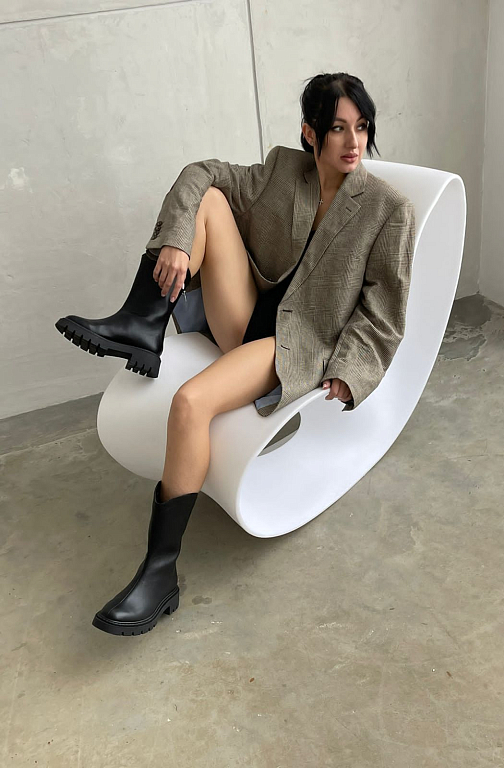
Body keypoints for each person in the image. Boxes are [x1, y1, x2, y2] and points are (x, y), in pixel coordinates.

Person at [55, 72, 416, 636]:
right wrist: (177, 241)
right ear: (309, 132)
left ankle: (159, 572)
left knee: (189, 403)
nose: (353, 142)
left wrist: (351, 370)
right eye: (338, 128)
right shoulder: (284, 170)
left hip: (293, 346)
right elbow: (201, 172)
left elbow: (384, 311)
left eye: (362, 127)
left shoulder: (388, 209)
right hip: (245, 315)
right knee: (209, 197)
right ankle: (143, 321)